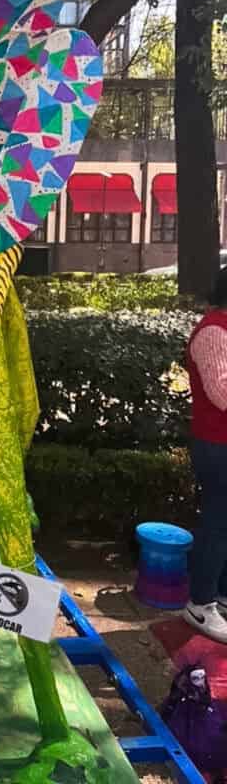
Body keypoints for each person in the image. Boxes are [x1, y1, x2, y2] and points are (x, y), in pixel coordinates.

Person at [185, 266, 227, 642]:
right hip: (218, 446)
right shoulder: (213, 331)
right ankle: (200, 603)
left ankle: (221, 595)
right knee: (217, 524)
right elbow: (221, 393)